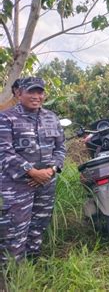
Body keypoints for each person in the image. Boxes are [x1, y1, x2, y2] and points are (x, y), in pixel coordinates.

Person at [0, 77, 66, 264]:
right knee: (14, 229)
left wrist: (51, 170)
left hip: (46, 183)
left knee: (38, 225)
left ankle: (32, 266)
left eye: (40, 92)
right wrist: (32, 171)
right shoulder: (6, 118)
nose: (36, 96)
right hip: (17, 186)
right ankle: (10, 273)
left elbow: (60, 148)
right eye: (31, 92)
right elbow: (4, 152)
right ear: (19, 93)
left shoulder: (51, 118)